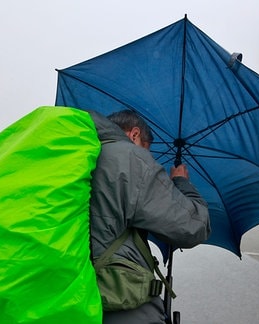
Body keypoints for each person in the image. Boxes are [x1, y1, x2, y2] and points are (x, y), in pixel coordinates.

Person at [88, 109, 211, 323]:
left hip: (69, 294)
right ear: (134, 134)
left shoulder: (81, 155)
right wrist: (181, 182)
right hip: (116, 301)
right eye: (147, 149)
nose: (149, 156)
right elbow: (193, 227)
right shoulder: (130, 157)